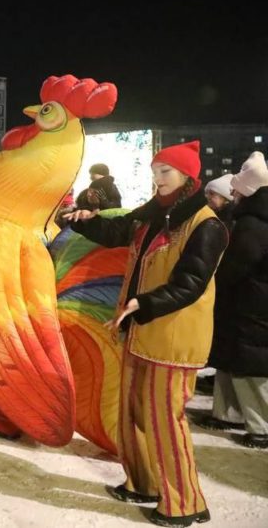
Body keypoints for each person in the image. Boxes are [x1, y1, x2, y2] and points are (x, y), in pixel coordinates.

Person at [67, 141, 228, 527]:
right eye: (155, 172)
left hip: (172, 338)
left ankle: (186, 502)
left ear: (187, 176)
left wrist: (147, 302)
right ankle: (143, 483)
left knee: (164, 418)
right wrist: (83, 219)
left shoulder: (207, 225)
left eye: (165, 172)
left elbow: (190, 283)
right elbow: (118, 229)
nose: (158, 180)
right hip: (140, 330)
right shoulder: (155, 213)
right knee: (134, 412)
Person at [202, 151, 268, 450]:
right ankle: (226, 414)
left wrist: (217, 279)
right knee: (230, 361)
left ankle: (262, 426)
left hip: (249, 303)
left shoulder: (253, 224)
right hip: (241, 302)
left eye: (237, 188)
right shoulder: (249, 220)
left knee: (248, 366)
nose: (232, 192)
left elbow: (240, 263)